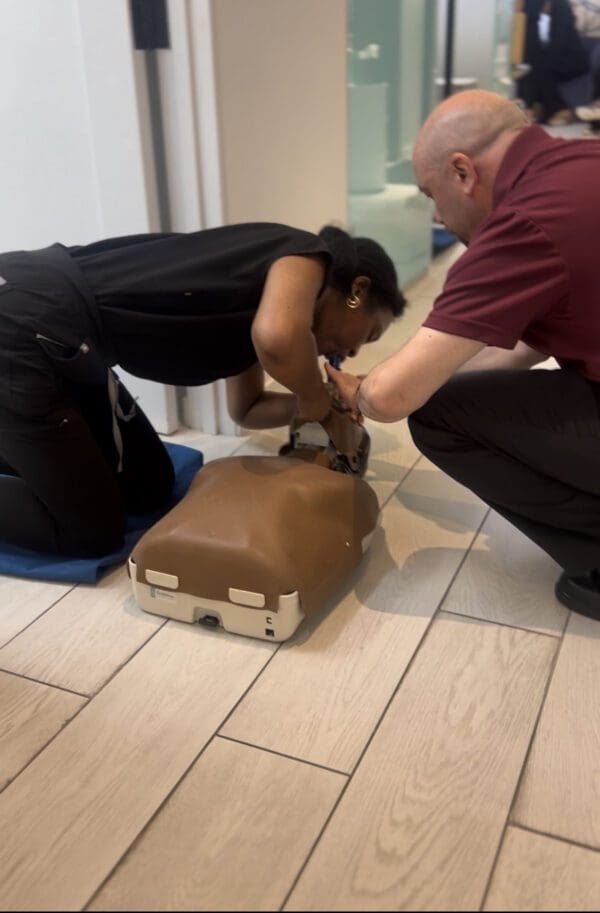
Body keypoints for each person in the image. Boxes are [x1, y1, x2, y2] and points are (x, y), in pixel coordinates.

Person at [327, 89, 600, 621]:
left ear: (462, 172)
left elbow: (392, 399)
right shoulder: (582, 160)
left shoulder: (525, 221)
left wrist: (367, 389)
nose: (439, 215)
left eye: (431, 195)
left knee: (437, 418)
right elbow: (524, 349)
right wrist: (406, 379)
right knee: (448, 396)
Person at [0, 223, 404, 558]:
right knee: (90, 532)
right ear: (358, 291)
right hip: (22, 325)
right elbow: (279, 340)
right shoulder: (307, 257)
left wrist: (320, 402)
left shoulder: (271, 309)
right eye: (368, 335)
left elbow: (248, 408)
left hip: (75, 352)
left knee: (150, 485)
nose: (351, 353)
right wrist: (322, 405)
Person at [517, 0, 589, 125]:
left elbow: (560, 43)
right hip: (546, 60)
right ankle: (540, 107)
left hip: (571, 59)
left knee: (541, 68)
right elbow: (528, 46)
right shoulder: (530, 9)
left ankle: (543, 108)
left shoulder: (561, 6)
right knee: (528, 67)